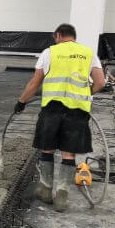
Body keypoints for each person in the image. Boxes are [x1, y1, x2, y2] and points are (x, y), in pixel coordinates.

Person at [14, 23, 105, 212]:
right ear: (73, 36)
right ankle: (62, 196)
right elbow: (100, 83)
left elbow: (35, 83)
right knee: (68, 153)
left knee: (47, 148)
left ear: (58, 35)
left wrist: (21, 101)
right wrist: (85, 94)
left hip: (52, 108)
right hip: (77, 111)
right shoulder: (89, 53)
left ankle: (45, 190)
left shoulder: (49, 53)